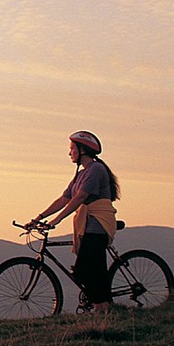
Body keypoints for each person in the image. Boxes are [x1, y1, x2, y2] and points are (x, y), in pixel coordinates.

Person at [30, 130, 121, 310]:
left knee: (83, 271)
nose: (69, 152)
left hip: (98, 225)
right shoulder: (81, 174)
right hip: (88, 226)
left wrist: (56, 221)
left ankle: (102, 306)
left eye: (72, 149)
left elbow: (79, 198)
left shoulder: (95, 170)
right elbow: (64, 199)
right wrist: (39, 218)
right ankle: (103, 307)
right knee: (93, 270)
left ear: (82, 150)